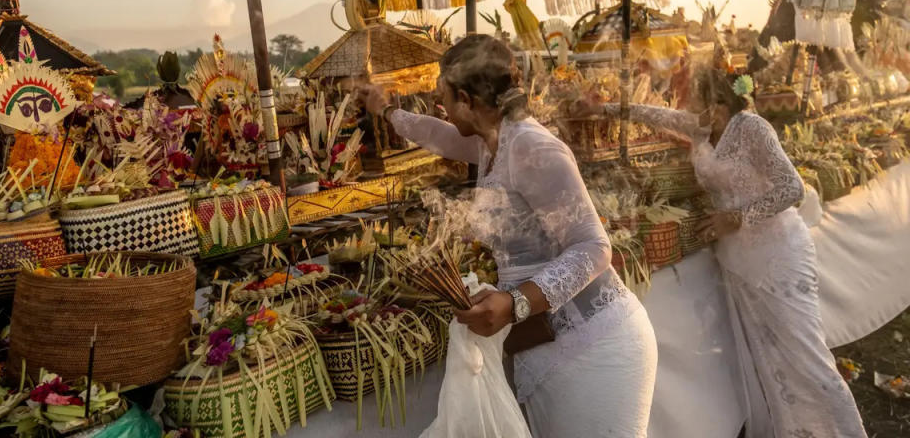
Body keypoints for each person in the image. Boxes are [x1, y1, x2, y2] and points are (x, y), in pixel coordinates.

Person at [359, 35, 657, 438]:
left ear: (465, 99)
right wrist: (389, 111)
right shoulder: (491, 140)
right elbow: (442, 136)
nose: (441, 107)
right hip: (547, 344)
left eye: (443, 96)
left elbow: (594, 247)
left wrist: (515, 302)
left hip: (596, 346)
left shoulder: (531, 146)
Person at [581, 68, 866, 438]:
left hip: (778, 256)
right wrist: (604, 110)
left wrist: (737, 217)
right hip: (738, 262)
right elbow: (656, 114)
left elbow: (791, 187)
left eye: (693, 100)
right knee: (769, 358)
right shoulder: (701, 128)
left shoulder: (751, 127)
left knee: (805, 356)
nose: (685, 107)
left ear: (716, 105)